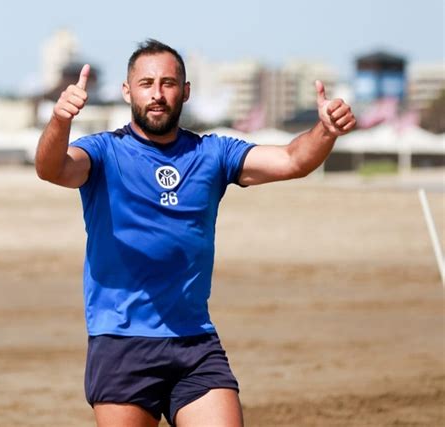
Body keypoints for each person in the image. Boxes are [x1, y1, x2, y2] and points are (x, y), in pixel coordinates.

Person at [35, 39, 356, 427]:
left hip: (195, 342)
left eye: (169, 83)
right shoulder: (104, 152)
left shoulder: (212, 153)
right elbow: (52, 169)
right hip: (121, 341)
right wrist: (59, 121)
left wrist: (326, 130)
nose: (157, 94)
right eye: (146, 83)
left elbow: (293, 160)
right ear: (127, 90)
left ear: (185, 91)